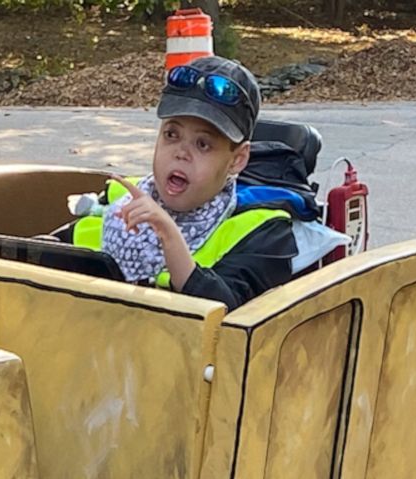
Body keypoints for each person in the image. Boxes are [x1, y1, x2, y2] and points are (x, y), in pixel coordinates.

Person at [52, 56, 303, 310]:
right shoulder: (118, 200)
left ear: (237, 160)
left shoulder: (265, 232)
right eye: (171, 135)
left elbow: (228, 321)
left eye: (203, 144)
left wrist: (169, 236)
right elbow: (38, 257)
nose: (181, 153)